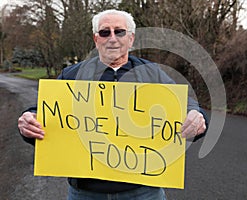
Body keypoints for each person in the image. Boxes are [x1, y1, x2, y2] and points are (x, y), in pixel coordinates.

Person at [18, 9, 208, 200]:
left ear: (131, 38)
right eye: (104, 32)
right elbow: (44, 111)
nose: (112, 38)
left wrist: (196, 115)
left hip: (143, 191)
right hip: (85, 192)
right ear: (96, 39)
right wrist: (29, 120)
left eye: (119, 31)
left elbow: (185, 104)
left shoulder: (152, 74)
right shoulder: (72, 75)